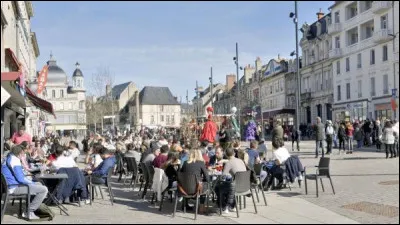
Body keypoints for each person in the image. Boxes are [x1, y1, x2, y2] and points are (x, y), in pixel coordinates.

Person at [2, 145, 48, 219]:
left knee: (38, 184)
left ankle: (32, 207)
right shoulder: (15, 160)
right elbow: (21, 179)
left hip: (10, 186)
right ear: (20, 153)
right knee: (43, 189)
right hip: (14, 187)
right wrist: (32, 182)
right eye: (23, 154)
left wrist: (31, 182)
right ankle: (29, 211)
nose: (24, 156)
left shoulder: (8, 158)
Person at [216, 148, 246, 214]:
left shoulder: (229, 163)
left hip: (235, 187)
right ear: (234, 153)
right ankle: (232, 206)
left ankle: (224, 207)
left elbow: (222, 177)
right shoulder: (241, 161)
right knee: (229, 184)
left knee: (218, 187)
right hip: (245, 186)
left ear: (226, 155)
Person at [180, 149, 209, 213]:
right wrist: (203, 180)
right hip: (197, 188)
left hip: (185, 188)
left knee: (187, 182)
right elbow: (207, 178)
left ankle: (184, 204)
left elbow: (181, 174)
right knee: (205, 185)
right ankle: (201, 207)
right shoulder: (201, 163)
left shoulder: (185, 163)